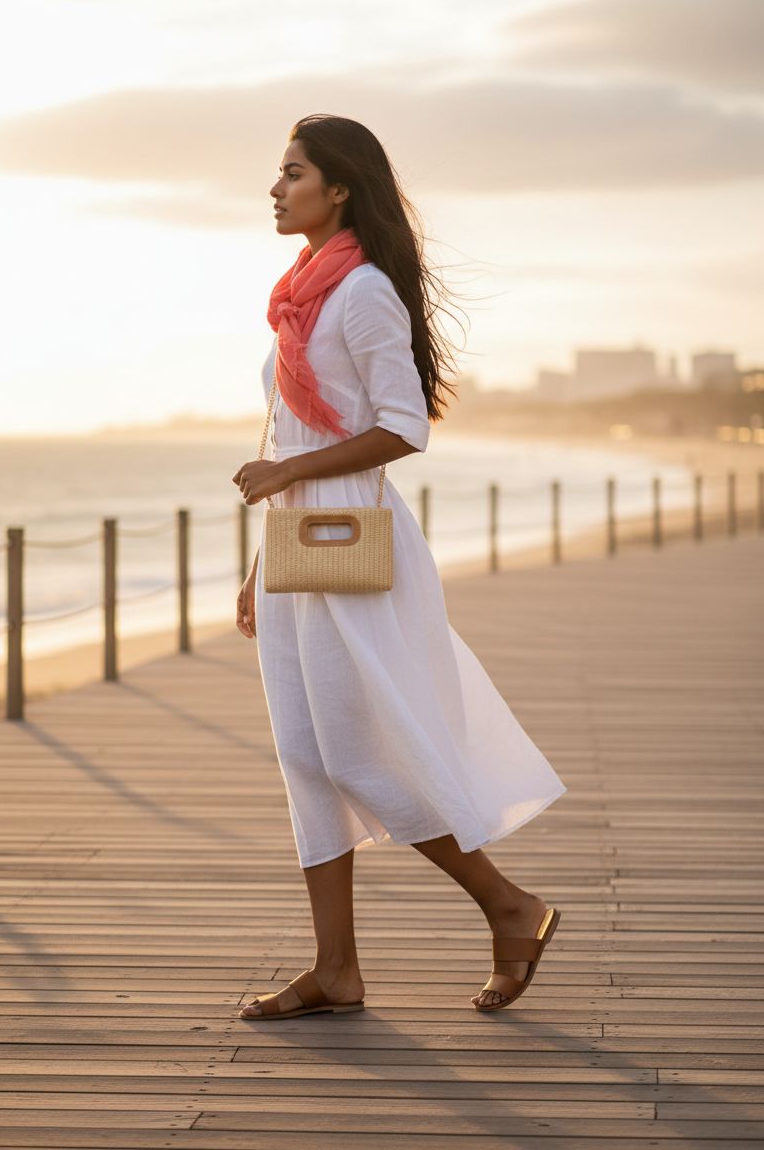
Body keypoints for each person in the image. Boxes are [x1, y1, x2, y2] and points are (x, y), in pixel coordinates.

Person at [232, 114, 567, 1020]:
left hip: (357, 547)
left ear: (338, 189)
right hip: (297, 548)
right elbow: (290, 428)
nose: (276, 187)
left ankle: (510, 905)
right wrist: (259, 565)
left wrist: (291, 474)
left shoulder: (365, 292)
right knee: (305, 756)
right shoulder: (298, 291)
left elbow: (402, 426)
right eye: (280, 172)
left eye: (293, 172)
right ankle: (335, 969)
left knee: (355, 754)